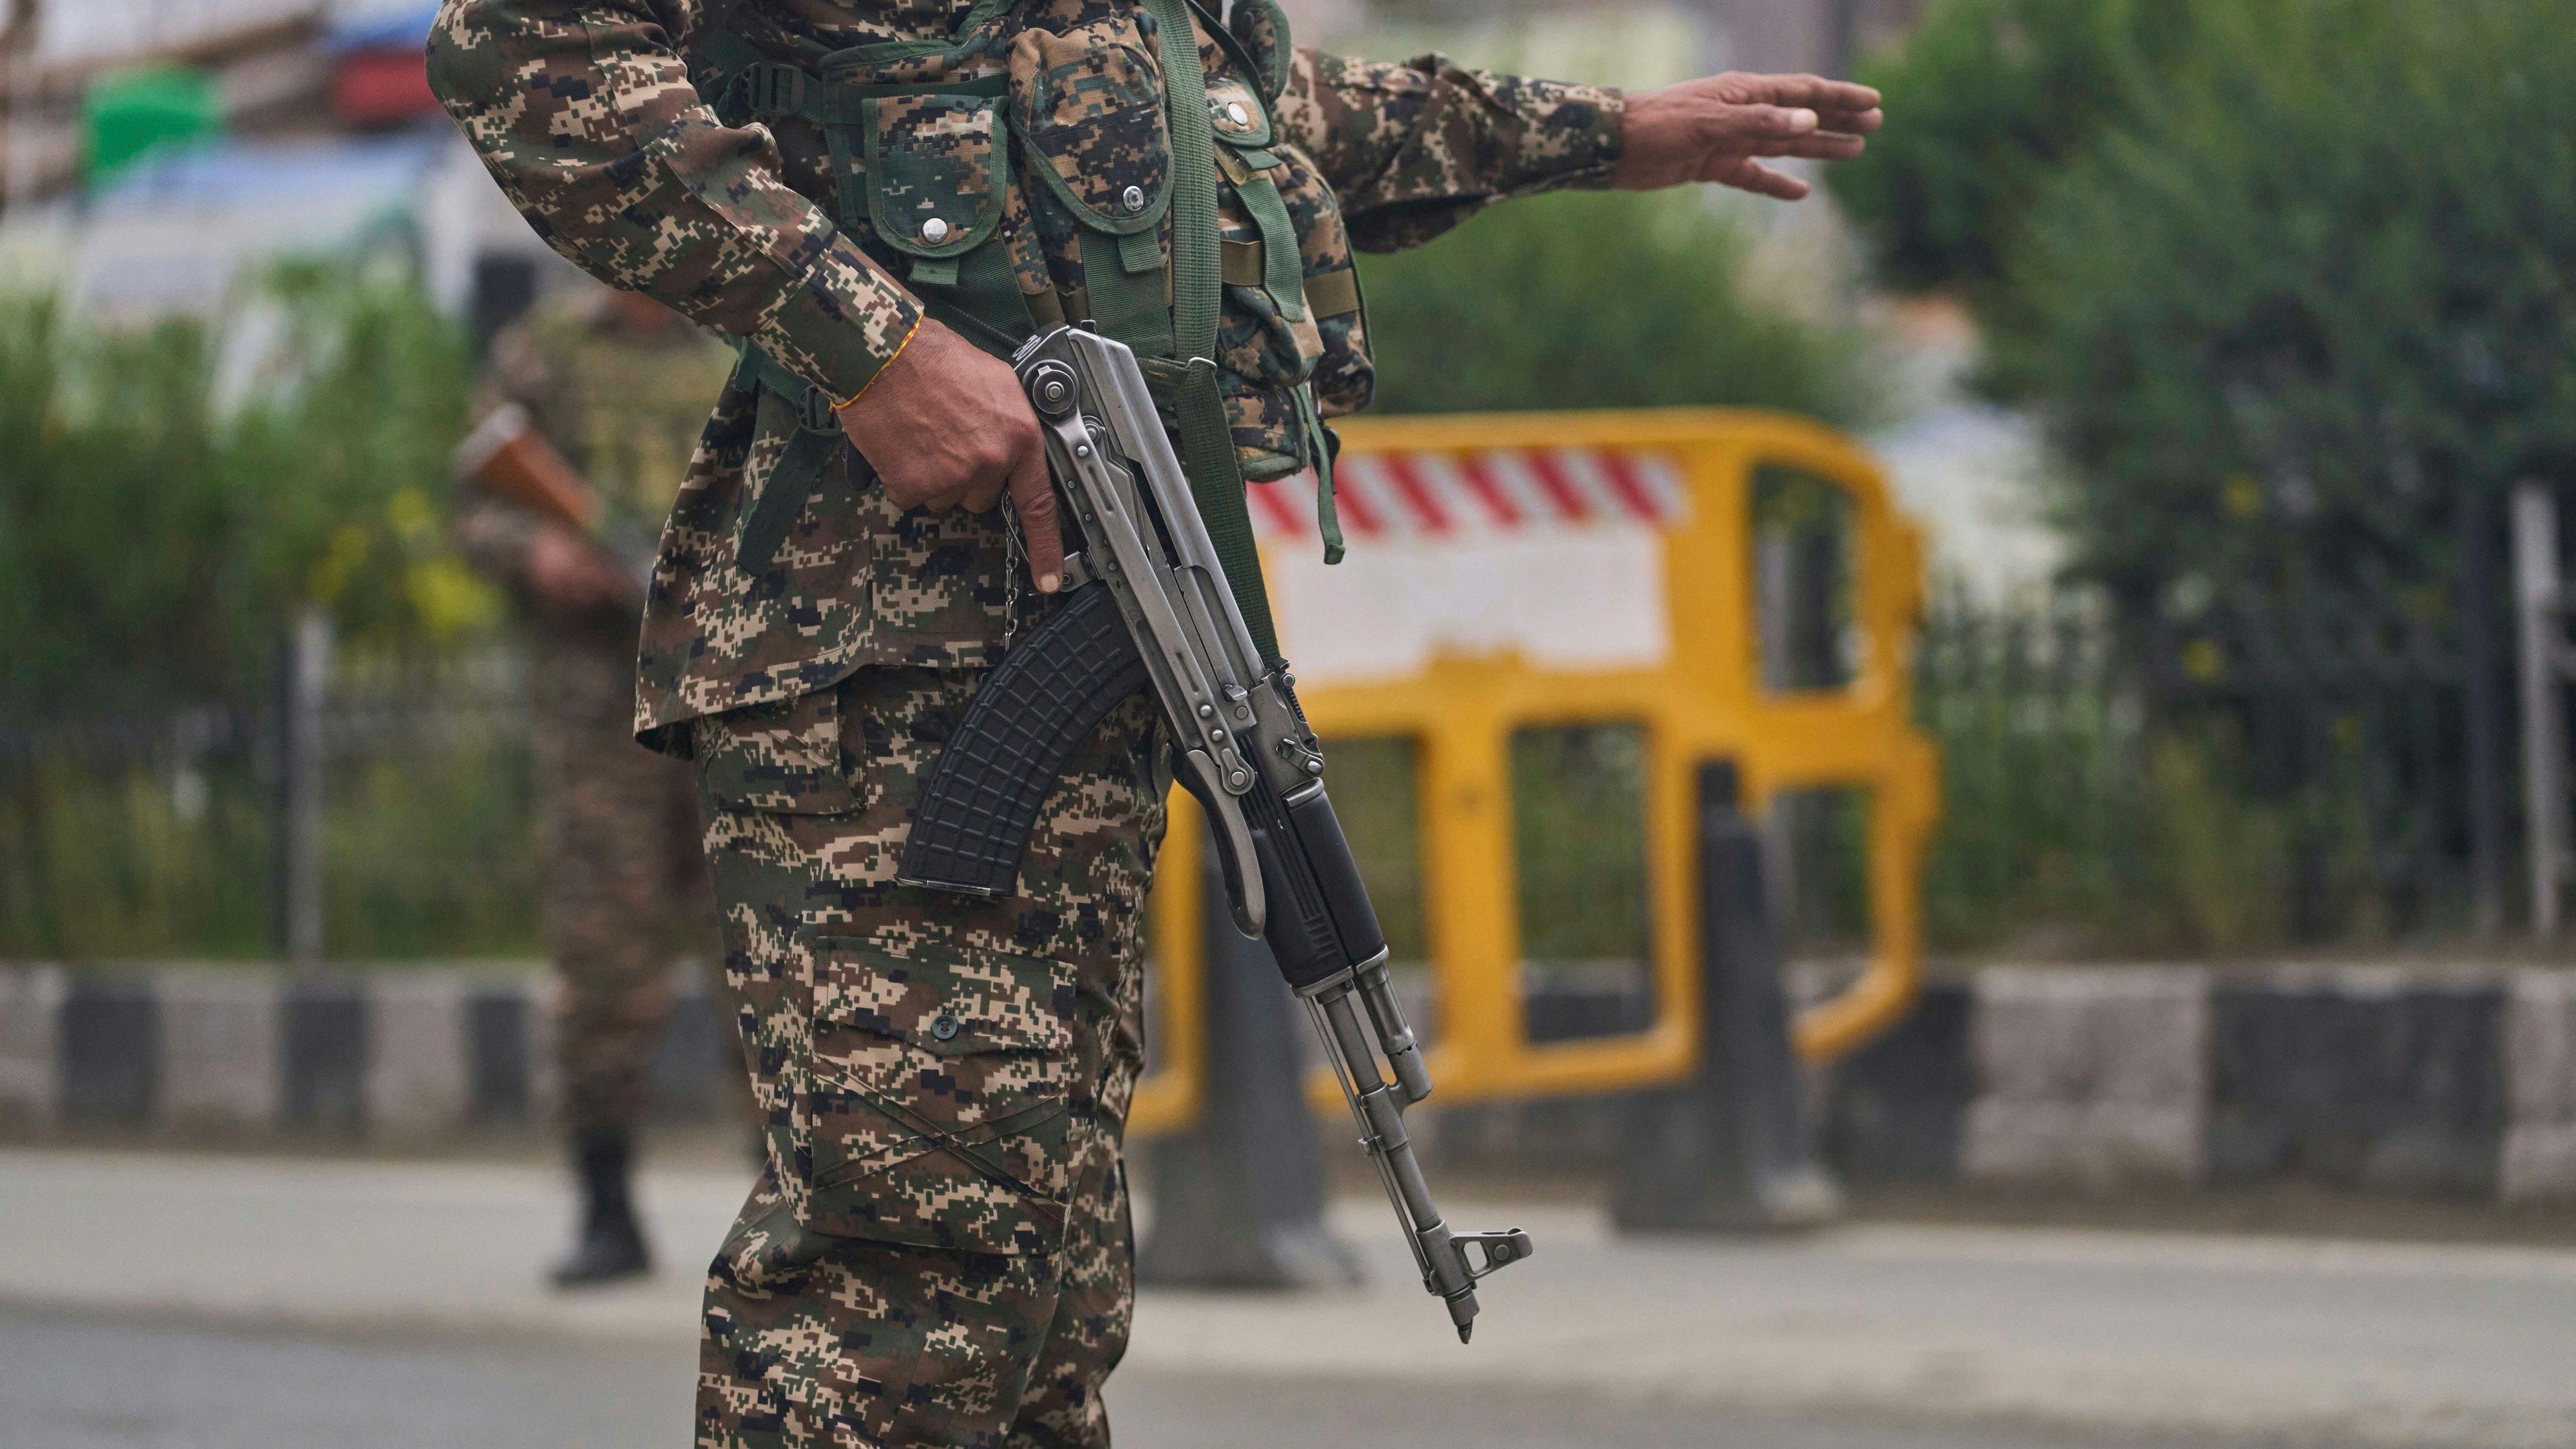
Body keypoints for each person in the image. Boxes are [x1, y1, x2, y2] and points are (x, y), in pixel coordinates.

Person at [428, 0, 1879, 1439]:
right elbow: (523, 48)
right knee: (912, 1284)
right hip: (875, 684)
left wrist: (1604, 133)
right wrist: (877, 349)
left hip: (1089, 661)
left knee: (1046, 1299)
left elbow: (1248, 115)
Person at [453, 284, 743, 1287]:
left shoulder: (730, 350)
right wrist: (535, 550)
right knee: (603, 959)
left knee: (762, 963)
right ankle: (607, 1207)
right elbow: (473, 502)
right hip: (599, 709)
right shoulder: (544, 351)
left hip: (724, 702)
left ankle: (790, 1214)